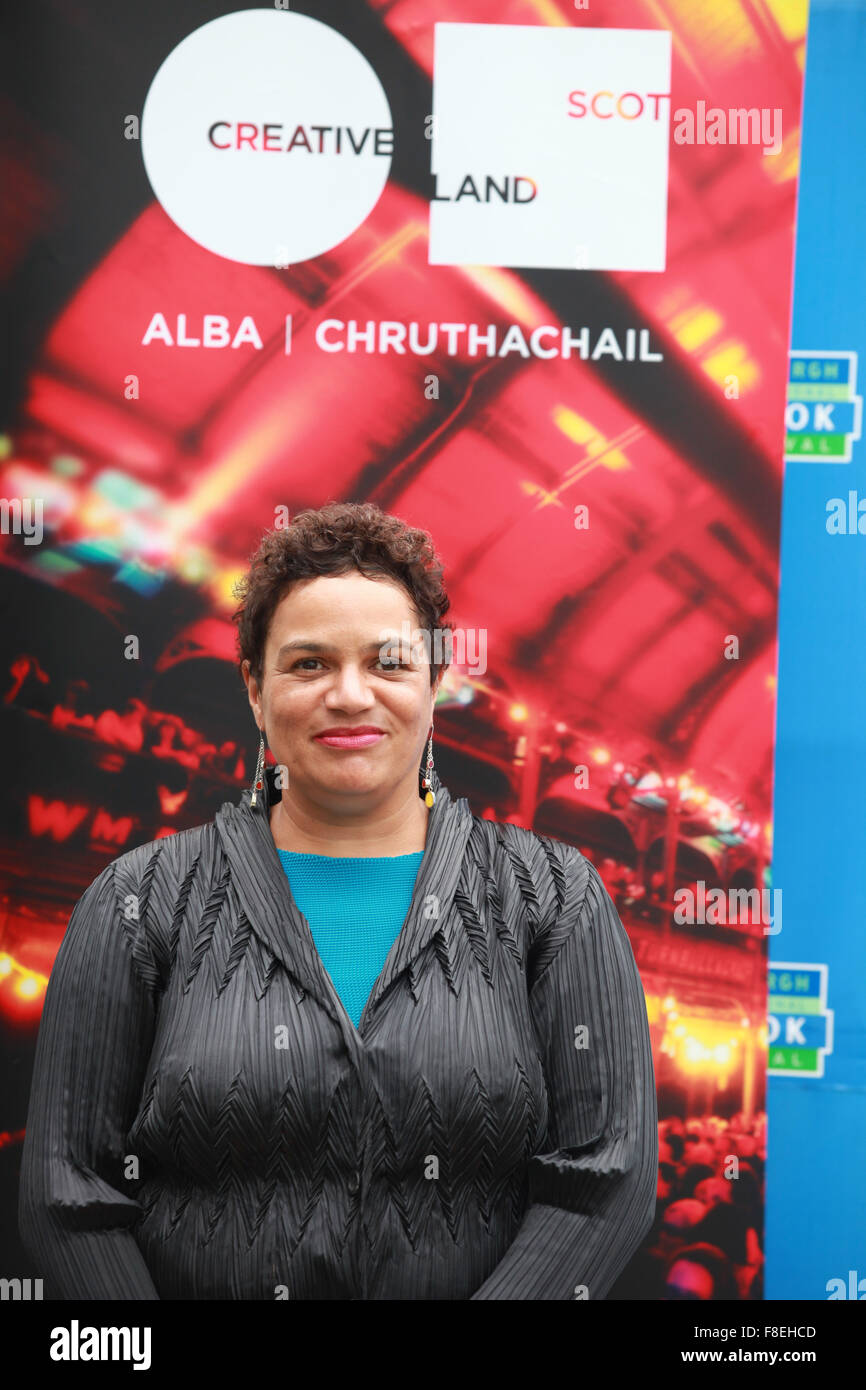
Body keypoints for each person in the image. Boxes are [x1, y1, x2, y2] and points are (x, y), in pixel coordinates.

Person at [19, 501, 658, 1300]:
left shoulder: (556, 900)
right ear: (255, 689)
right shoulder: (137, 900)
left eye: (388, 663)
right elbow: (68, 1192)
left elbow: (606, 1179)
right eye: (309, 664)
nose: (351, 695)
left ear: (435, 682)